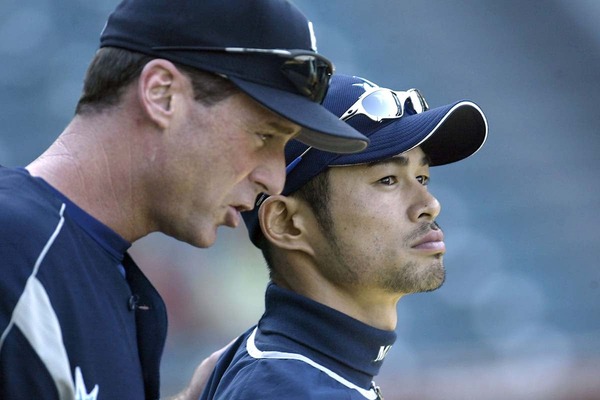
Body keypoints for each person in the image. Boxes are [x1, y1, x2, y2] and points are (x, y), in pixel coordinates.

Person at [0, 0, 370, 399]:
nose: (274, 180)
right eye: (264, 136)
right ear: (162, 94)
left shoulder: (103, 272)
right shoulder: (11, 246)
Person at [199, 74, 489, 399]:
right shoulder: (290, 388)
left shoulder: (297, 369)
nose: (430, 205)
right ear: (287, 223)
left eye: (422, 177)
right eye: (388, 179)